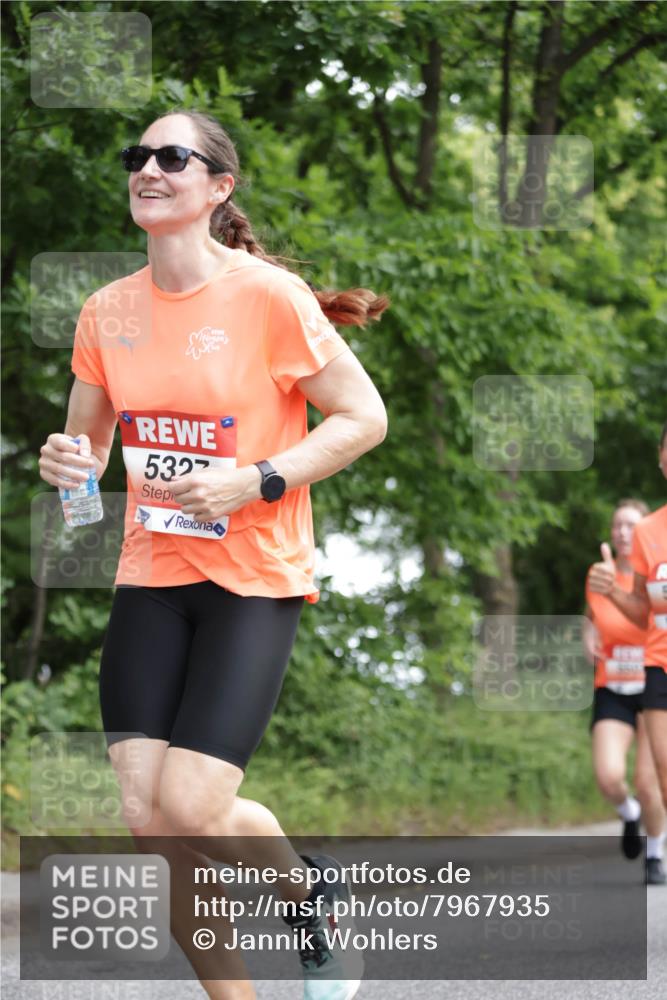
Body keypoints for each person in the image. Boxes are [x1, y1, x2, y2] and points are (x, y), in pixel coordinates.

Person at [38, 108, 389, 1000]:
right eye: (138, 157)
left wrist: (258, 479)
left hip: (253, 577)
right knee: (148, 820)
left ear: (217, 187)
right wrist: (68, 472)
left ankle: (309, 895)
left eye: (172, 157)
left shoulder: (268, 299)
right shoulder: (106, 310)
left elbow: (363, 418)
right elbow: (87, 466)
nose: (147, 170)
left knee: (190, 805)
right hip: (152, 573)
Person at [588, 422, 667, 886]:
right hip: (659, 666)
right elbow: (640, 612)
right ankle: (652, 846)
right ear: (660, 459)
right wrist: (611, 595)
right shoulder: (649, 532)